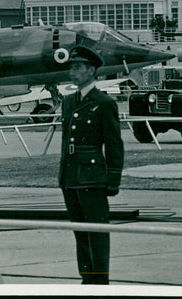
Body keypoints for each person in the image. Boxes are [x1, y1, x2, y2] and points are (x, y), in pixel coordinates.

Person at [59, 46, 124, 285]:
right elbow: (67, 142)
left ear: (91, 71)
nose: (72, 72)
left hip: (93, 176)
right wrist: (63, 175)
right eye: (71, 67)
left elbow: (114, 144)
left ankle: (99, 280)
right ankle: (87, 278)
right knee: (80, 231)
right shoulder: (68, 102)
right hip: (71, 177)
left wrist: (113, 179)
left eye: (77, 68)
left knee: (97, 231)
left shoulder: (104, 103)